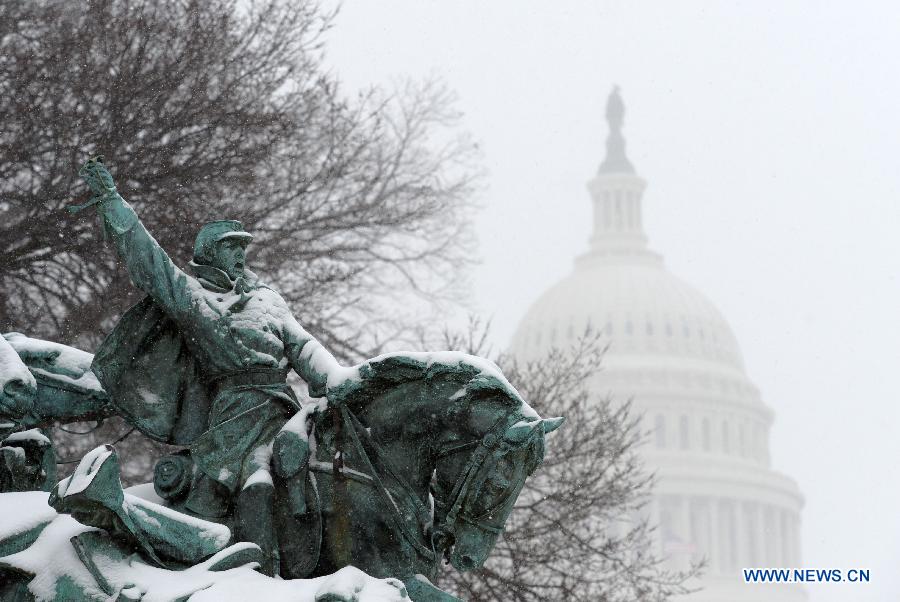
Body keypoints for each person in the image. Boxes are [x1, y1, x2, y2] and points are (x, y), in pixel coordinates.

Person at [78, 157, 353, 575]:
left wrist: (342, 382)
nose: (241, 254)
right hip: (233, 417)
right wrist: (112, 201)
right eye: (231, 246)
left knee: (327, 476)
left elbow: (304, 346)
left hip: (284, 411)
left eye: (243, 247)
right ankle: (257, 575)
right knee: (257, 485)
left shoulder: (268, 299)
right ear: (209, 251)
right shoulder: (193, 298)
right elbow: (149, 261)